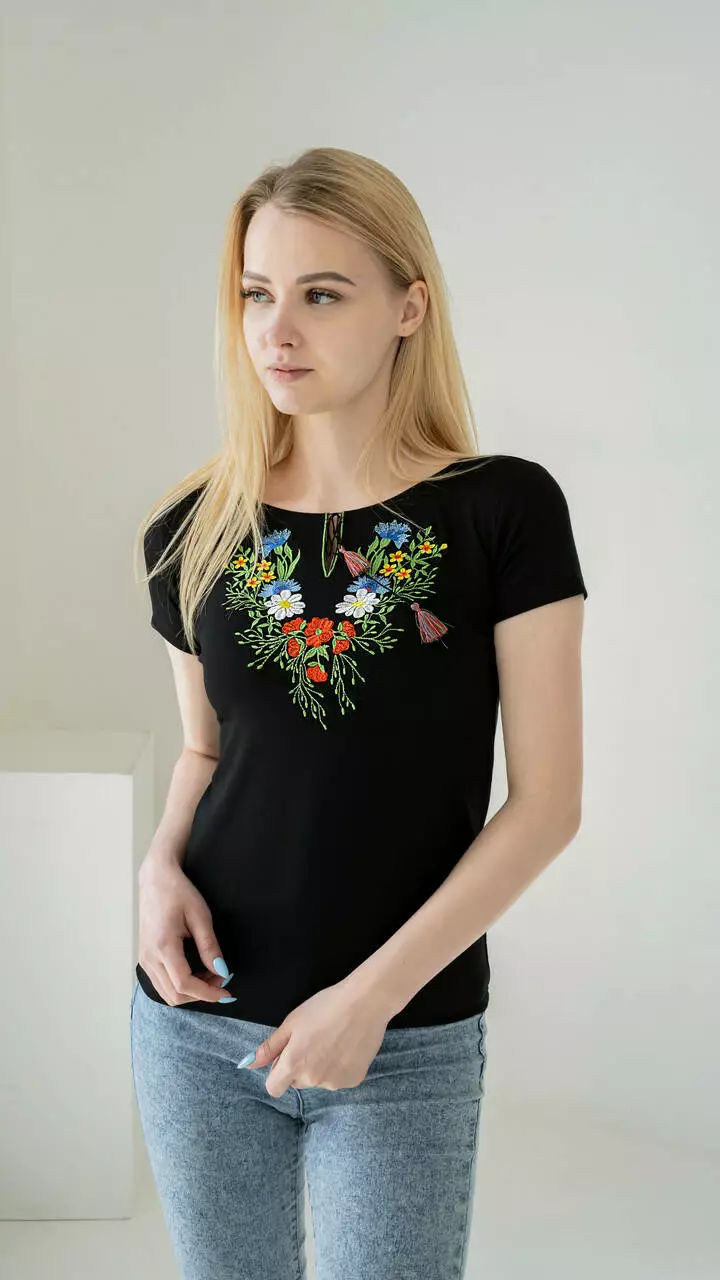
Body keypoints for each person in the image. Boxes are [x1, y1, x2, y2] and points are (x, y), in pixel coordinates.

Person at [129, 145, 588, 1280]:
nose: (277, 330)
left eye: (322, 294)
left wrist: (368, 1000)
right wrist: (157, 870)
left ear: (407, 308)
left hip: (404, 1040)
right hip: (196, 1027)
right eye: (257, 294)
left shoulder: (504, 510)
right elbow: (205, 749)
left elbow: (546, 806)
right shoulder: (192, 526)